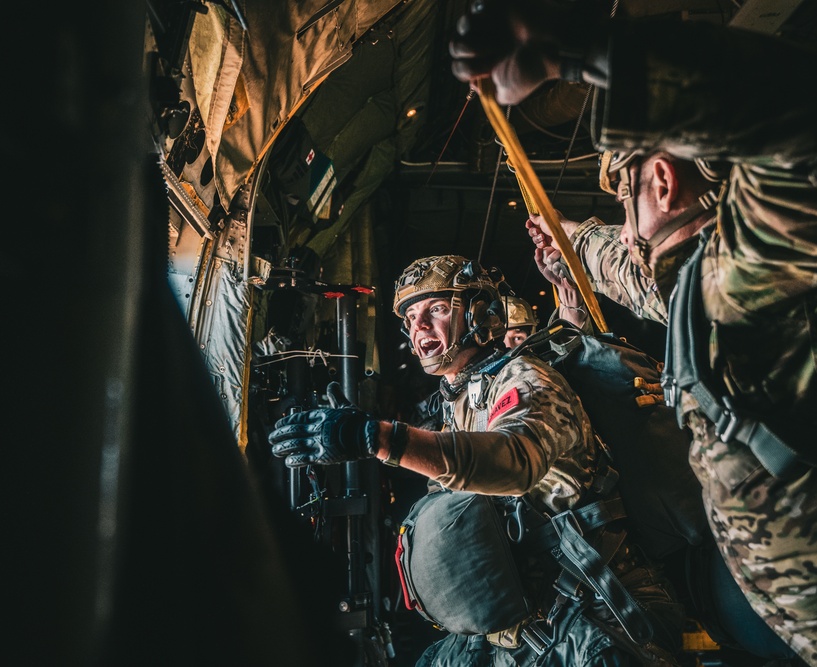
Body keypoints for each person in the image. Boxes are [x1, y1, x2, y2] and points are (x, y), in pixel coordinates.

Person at [449, 2, 817, 665]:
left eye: (622, 200)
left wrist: (568, 51)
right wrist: (571, 243)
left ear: (660, 177)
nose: (624, 228)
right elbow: (637, 271)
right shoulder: (714, 278)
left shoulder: (762, 258)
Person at [269, 254, 685, 666]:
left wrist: (374, 438)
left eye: (436, 309)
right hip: (528, 620)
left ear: (478, 314)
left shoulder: (525, 378)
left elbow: (515, 460)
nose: (420, 328)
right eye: (411, 318)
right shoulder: (460, 399)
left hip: (597, 611)